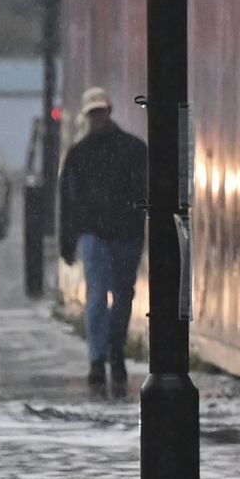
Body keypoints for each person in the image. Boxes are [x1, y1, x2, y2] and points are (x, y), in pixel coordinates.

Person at [58, 86, 147, 398]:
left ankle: (110, 353)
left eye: (100, 112)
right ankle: (103, 358)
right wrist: (68, 240)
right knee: (103, 296)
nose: (97, 118)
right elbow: (68, 202)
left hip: (118, 233)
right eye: (93, 113)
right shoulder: (128, 150)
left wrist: (68, 240)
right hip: (105, 234)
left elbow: (68, 201)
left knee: (118, 296)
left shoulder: (89, 154)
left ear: (107, 111)